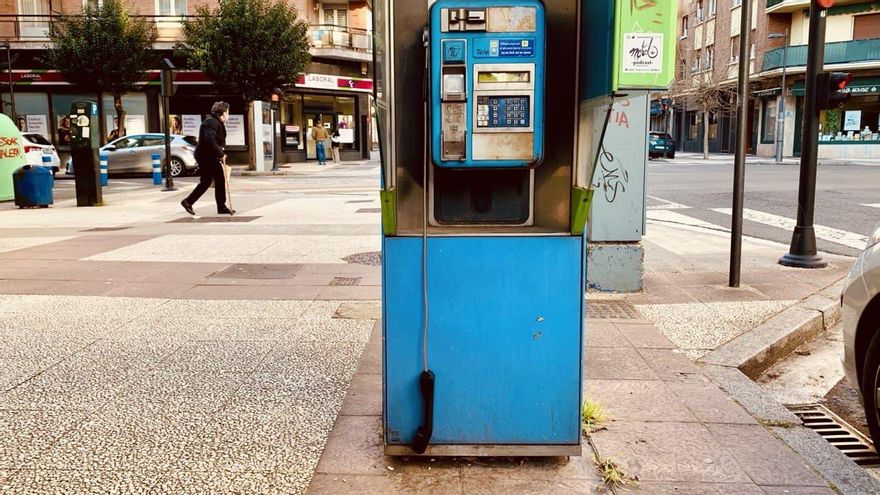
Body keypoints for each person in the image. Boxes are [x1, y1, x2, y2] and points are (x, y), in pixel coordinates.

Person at [180, 101, 235, 216]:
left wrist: (220, 152)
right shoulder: (211, 122)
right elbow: (210, 139)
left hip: (209, 155)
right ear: (223, 113)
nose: (228, 114)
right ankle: (220, 206)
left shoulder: (216, 122)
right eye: (228, 112)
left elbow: (215, 140)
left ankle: (189, 202)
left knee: (207, 181)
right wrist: (220, 153)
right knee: (218, 179)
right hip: (206, 156)